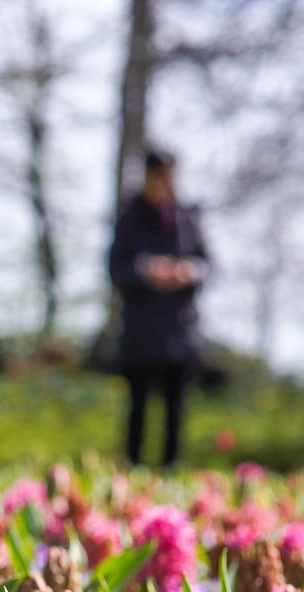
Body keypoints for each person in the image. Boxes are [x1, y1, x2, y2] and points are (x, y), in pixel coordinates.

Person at [108, 147, 211, 468]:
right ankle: (133, 466)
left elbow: (208, 264)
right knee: (138, 406)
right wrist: (146, 270)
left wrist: (186, 272)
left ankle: (170, 467)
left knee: (176, 407)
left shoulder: (187, 217)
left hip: (179, 329)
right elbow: (116, 268)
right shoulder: (130, 217)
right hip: (141, 328)